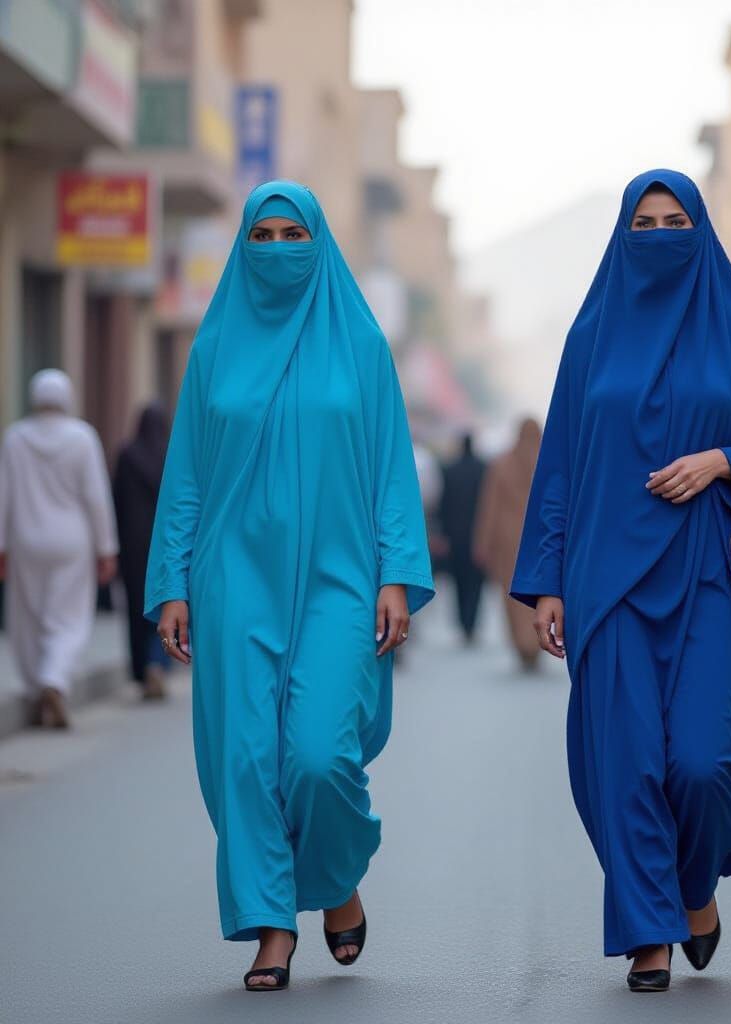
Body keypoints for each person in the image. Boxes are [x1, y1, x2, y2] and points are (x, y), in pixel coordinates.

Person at [511, 171, 731, 992]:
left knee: (703, 764)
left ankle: (694, 888)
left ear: (701, 233)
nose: (663, 235)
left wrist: (722, 461)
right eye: (646, 223)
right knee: (629, 763)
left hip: (710, 576)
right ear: (622, 235)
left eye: (678, 221)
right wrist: (547, 580)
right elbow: (560, 467)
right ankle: (649, 931)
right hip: (607, 582)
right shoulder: (591, 337)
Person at [144, 181, 433, 992]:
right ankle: (272, 926)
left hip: (339, 578)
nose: (276, 250)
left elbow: (391, 468)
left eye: (292, 235)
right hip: (233, 576)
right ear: (243, 247)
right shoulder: (214, 348)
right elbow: (187, 478)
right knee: (244, 758)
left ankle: (335, 880)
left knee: (318, 755)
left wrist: (397, 573)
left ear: (320, 243)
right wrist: (172, 583)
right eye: (261, 236)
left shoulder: (361, 344)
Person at [0, 369, 118, 729]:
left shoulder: (15, 437)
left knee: (28, 618)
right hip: (72, 541)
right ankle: (54, 679)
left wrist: (1, 545)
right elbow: (96, 497)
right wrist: (106, 548)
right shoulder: (82, 437)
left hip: (26, 540)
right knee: (68, 618)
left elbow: (3, 495)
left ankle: (37, 686)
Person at [113, 403, 172, 699]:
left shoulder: (127, 455)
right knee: (165, 604)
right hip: (164, 543)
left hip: (133, 543)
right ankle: (158, 663)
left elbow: (116, 501)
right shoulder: (170, 455)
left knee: (137, 609)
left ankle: (143, 668)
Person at [474, 418, 543, 670]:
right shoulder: (548, 463)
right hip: (540, 541)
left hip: (508, 542)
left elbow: (489, 507)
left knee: (512, 596)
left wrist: (482, 543)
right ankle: (535, 643)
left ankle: (522, 644)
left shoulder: (501, 464)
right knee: (539, 594)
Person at [438, 433, 487, 643]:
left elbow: (443, 504)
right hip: (478, 535)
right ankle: (471, 622)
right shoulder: (483, 469)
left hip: (455, 536)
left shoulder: (450, 470)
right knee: (475, 583)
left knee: (459, 582)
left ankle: (463, 623)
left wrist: (443, 533)